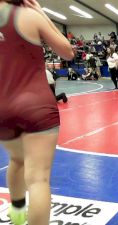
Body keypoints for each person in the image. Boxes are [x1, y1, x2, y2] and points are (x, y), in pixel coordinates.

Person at [0, 0, 74, 224]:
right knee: (38, 179)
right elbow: (68, 52)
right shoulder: (28, 16)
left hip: (3, 108)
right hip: (36, 106)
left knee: (17, 160)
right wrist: (43, 15)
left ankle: (18, 215)